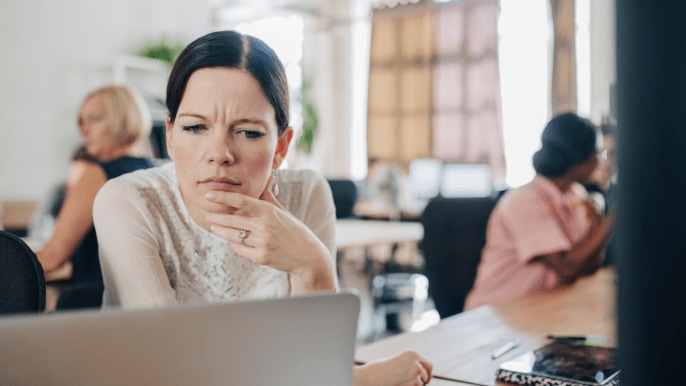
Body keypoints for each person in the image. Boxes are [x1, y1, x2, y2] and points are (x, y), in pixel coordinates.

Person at [92, 31, 433, 386]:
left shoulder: (308, 195)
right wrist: (364, 380)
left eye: (249, 133)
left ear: (282, 146)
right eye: (195, 127)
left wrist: (313, 266)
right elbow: (174, 372)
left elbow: (314, 365)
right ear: (171, 137)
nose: (219, 153)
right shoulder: (128, 202)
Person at [464, 113, 614, 310]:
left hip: (543, 309)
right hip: (495, 315)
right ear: (579, 156)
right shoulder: (525, 201)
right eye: (597, 152)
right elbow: (567, 268)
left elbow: (585, 268)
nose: (598, 161)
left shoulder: (576, 196)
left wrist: (596, 229)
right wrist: (612, 222)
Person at [36, 85, 154, 309]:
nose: (84, 130)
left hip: (98, 307)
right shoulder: (153, 171)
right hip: (142, 307)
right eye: (82, 121)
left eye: (95, 119)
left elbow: (53, 257)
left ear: (123, 120)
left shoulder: (96, 174)